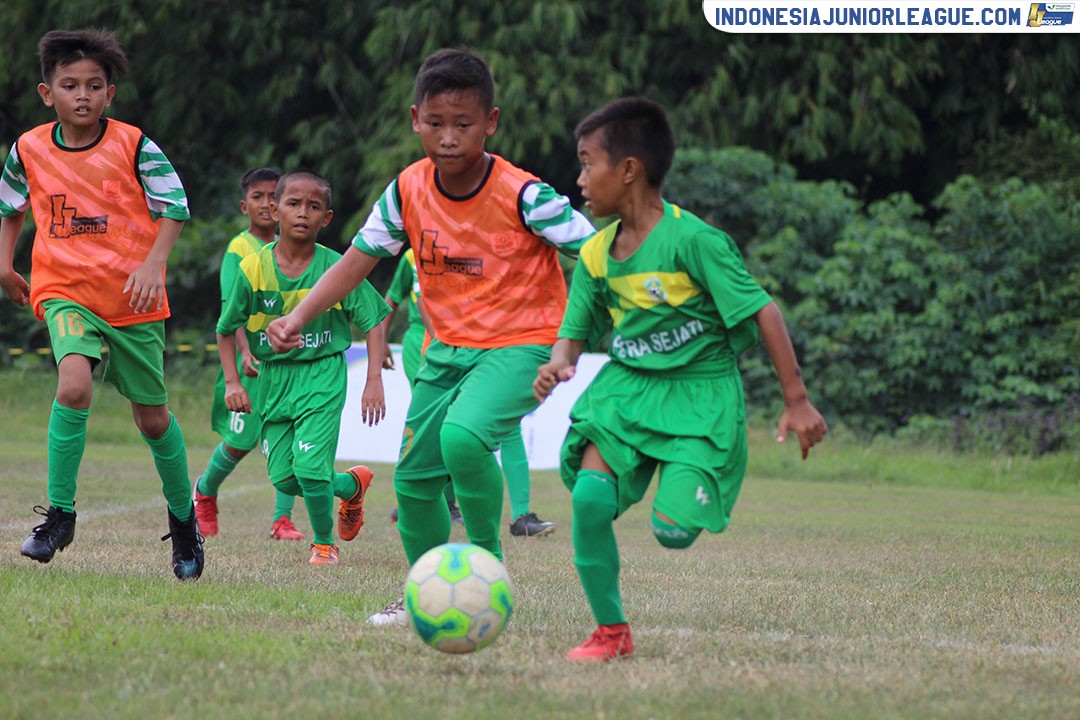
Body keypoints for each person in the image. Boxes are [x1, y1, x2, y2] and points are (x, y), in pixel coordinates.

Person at [266, 49, 595, 621]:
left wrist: (574, 336)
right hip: (444, 353)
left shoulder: (524, 194)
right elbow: (355, 262)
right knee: (415, 483)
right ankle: (423, 592)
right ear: (415, 118)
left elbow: (598, 255)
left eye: (463, 125)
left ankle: (490, 576)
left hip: (523, 344)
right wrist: (297, 316)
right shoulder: (406, 190)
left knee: (464, 440)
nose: (448, 138)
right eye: (436, 123)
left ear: (490, 123)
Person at [533, 98, 828, 662]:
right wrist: (559, 360)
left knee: (673, 532)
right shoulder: (595, 253)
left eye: (587, 162)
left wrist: (797, 399)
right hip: (629, 389)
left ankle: (689, 483)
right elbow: (575, 330)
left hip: (700, 394)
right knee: (591, 500)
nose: (578, 180)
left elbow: (764, 312)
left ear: (629, 169)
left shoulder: (695, 242)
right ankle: (611, 633)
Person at [0, 29, 204, 580]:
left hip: (133, 298)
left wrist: (152, 264)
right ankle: (59, 516)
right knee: (73, 384)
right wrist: (5, 263)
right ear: (48, 94)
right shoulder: (28, 148)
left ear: (109, 95)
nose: (82, 95)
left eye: (94, 85)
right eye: (70, 85)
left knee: (153, 420)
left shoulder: (134, 144)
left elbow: (175, 205)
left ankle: (184, 524)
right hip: (65, 289)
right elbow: (10, 206)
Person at [216, 169, 390, 566]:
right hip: (273, 380)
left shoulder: (338, 268)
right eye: (293, 204)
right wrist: (231, 381)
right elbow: (225, 329)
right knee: (285, 478)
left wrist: (373, 379)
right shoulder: (252, 268)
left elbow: (375, 320)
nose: (302, 213)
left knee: (311, 468)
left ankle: (324, 544)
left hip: (323, 373)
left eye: (314, 207)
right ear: (275, 210)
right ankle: (351, 485)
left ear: (326, 218)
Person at [193, 167, 305, 541]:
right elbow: (232, 309)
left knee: (289, 439)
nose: (267, 203)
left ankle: (282, 520)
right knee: (241, 443)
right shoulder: (239, 249)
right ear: (245, 205)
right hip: (253, 361)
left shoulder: (295, 247)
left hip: (287, 363)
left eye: (275, 196)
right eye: (258, 197)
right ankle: (205, 491)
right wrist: (242, 354)